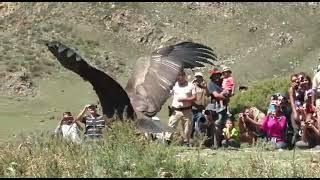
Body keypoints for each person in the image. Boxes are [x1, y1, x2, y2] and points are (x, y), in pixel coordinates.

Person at [168, 70, 196, 146]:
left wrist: (185, 99)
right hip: (175, 110)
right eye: (177, 77)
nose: (179, 79)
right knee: (171, 126)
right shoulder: (174, 85)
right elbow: (168, 93)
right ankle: (168, 142)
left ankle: (186, 143)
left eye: (180, 77)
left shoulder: (191, 86)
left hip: (187, 110)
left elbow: (194, 97)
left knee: (187, 129)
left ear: (184, 77)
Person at [206, 68, 230, 148]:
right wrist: (225, 96)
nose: (217, 76)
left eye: (218, 75)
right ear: (212, 76)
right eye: (215, 75)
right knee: (216, 124)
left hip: (224, 107)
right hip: (216, 107)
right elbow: (216, 95)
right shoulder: (211, 84)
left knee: (225, 125)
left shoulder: (222, 82)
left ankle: (223, 143)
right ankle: (215, 144)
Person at [191, 72, 209, 137]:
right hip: (192, 108)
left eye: (200, 77)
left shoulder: (203, 87)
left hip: (200, 109)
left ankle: (201, 138)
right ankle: (190, 139)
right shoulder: (192, 86)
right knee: (191, 125)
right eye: (197, 77)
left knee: (201, 123)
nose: (198, 79)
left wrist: (205, 87)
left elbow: (208, 94)